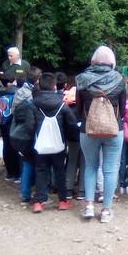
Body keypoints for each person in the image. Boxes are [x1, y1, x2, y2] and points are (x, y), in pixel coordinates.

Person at [76, 46, 126, 223]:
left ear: (92, 61)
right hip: (114, 130)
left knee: (90, 166)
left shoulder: (82, 79)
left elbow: (78, 108)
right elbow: (123, 107)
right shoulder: (119, 80)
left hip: (87, 130)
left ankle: (89, 206)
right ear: (112, 62)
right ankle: (106, 210)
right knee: (110, 169)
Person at [30, 73, 79, 213]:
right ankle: (63, 201)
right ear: (54, 86)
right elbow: (71, 123)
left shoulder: (34, 103)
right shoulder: (62, 104)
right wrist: (72, 137)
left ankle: (39, 202)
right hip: (58, 143)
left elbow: (29, 125)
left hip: (40, 143)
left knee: (40, 171)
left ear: (39, 85)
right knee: (59, 171)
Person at [0, 72, 20, 181]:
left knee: (6, 145)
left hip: (2, 123)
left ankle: (9, 172)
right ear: (11, 82)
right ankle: (17, 173)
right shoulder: (16, 93)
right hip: (12, 123)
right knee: (15, 147)